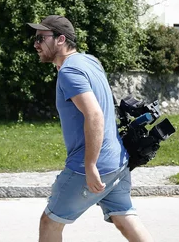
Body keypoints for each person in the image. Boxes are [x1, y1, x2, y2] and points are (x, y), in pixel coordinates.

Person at [28, 15, 154, 242]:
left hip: (93, 165)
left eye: (41, 38)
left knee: (50, 222)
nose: (35, 44)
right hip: (117, 159)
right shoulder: (90, 61)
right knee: (124, 218)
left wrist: (90, 165)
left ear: (60, 39)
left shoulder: (69, 72)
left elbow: (95, 114)